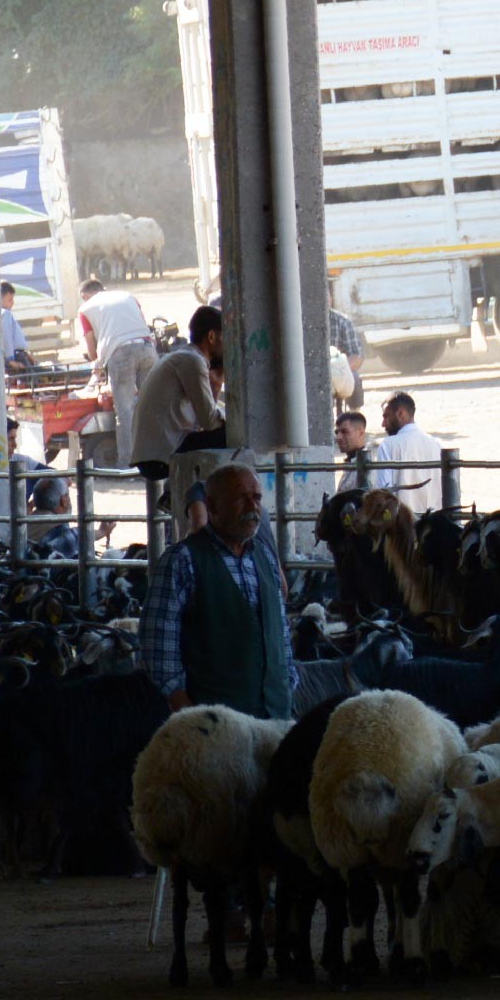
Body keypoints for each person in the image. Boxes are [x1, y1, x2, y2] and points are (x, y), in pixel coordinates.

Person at [140, 462, 293, 718]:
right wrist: (185, 708)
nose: (252, 507)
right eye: (240, 499)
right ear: (212, 507)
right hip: (213, 721)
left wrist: (287, 684)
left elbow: (281, 631)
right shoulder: (183, 560)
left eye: (256, 498)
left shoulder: (265, 557)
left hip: (274, 715)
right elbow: (158, 644)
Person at [129, 305, 226, 477]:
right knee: (235, 435)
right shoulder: (193, 361)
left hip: (155, 453)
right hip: (160, 456)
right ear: (211, 336)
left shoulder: (184, 357)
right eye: (224, 338)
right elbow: (210, 421)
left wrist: (216, 384)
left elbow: (204, 422)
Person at [372, 391, 446, 513]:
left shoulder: (388, 445)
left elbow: (384, 493)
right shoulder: (436, 444)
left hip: (403, 526)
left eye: (386, 416)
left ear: (400, 413)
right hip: (434, 523)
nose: (383, 423)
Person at [333, 409, 374, 491]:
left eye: (344, 432)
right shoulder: (351, 463)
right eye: (337, 432)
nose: (339, 437)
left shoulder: (368, 468)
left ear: (361, 433)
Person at [0, 283, 36, 373]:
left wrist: (26, 354)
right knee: (33, 382)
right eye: (10, 300)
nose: (13, 303)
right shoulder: (5, 314)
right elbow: (6, 337)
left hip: (20, 354)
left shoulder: (3, 314)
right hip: (17, 357)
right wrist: (11, 360)